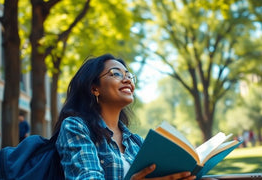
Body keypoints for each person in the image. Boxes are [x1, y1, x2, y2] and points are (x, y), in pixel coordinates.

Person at [53, 54, 196, 180]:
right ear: (94, 88)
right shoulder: (76, 127)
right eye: (116, 74)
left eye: (128, 75)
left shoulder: (137, 142)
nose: (127, 80)